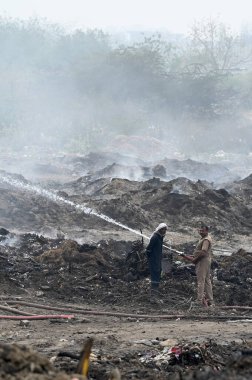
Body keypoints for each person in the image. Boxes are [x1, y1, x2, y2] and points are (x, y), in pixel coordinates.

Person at [182, 225, 214, 307]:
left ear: (207, 231)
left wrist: (195, 260)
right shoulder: (204, 238)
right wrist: (190, 256)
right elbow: (200, 252)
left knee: (201, 280)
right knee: (207, 280)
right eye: (199, 230)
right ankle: (210, 300)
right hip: (206, 260)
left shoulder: (206, 240)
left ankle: (199, 300)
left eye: (202, 231)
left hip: (202, 261)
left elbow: (203, 252)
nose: (200, 232)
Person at [146, 223, 168, 303]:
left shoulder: (160, 237)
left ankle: (155, 296)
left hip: (157, 260)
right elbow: (148, 249)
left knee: (157, 277)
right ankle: (153, 298)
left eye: (165, 229)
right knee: (155, 277)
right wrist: (152, 258)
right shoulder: (155, 237)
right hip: (154, 261)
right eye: (162, 229)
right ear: (159, 229)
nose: (164, 231)